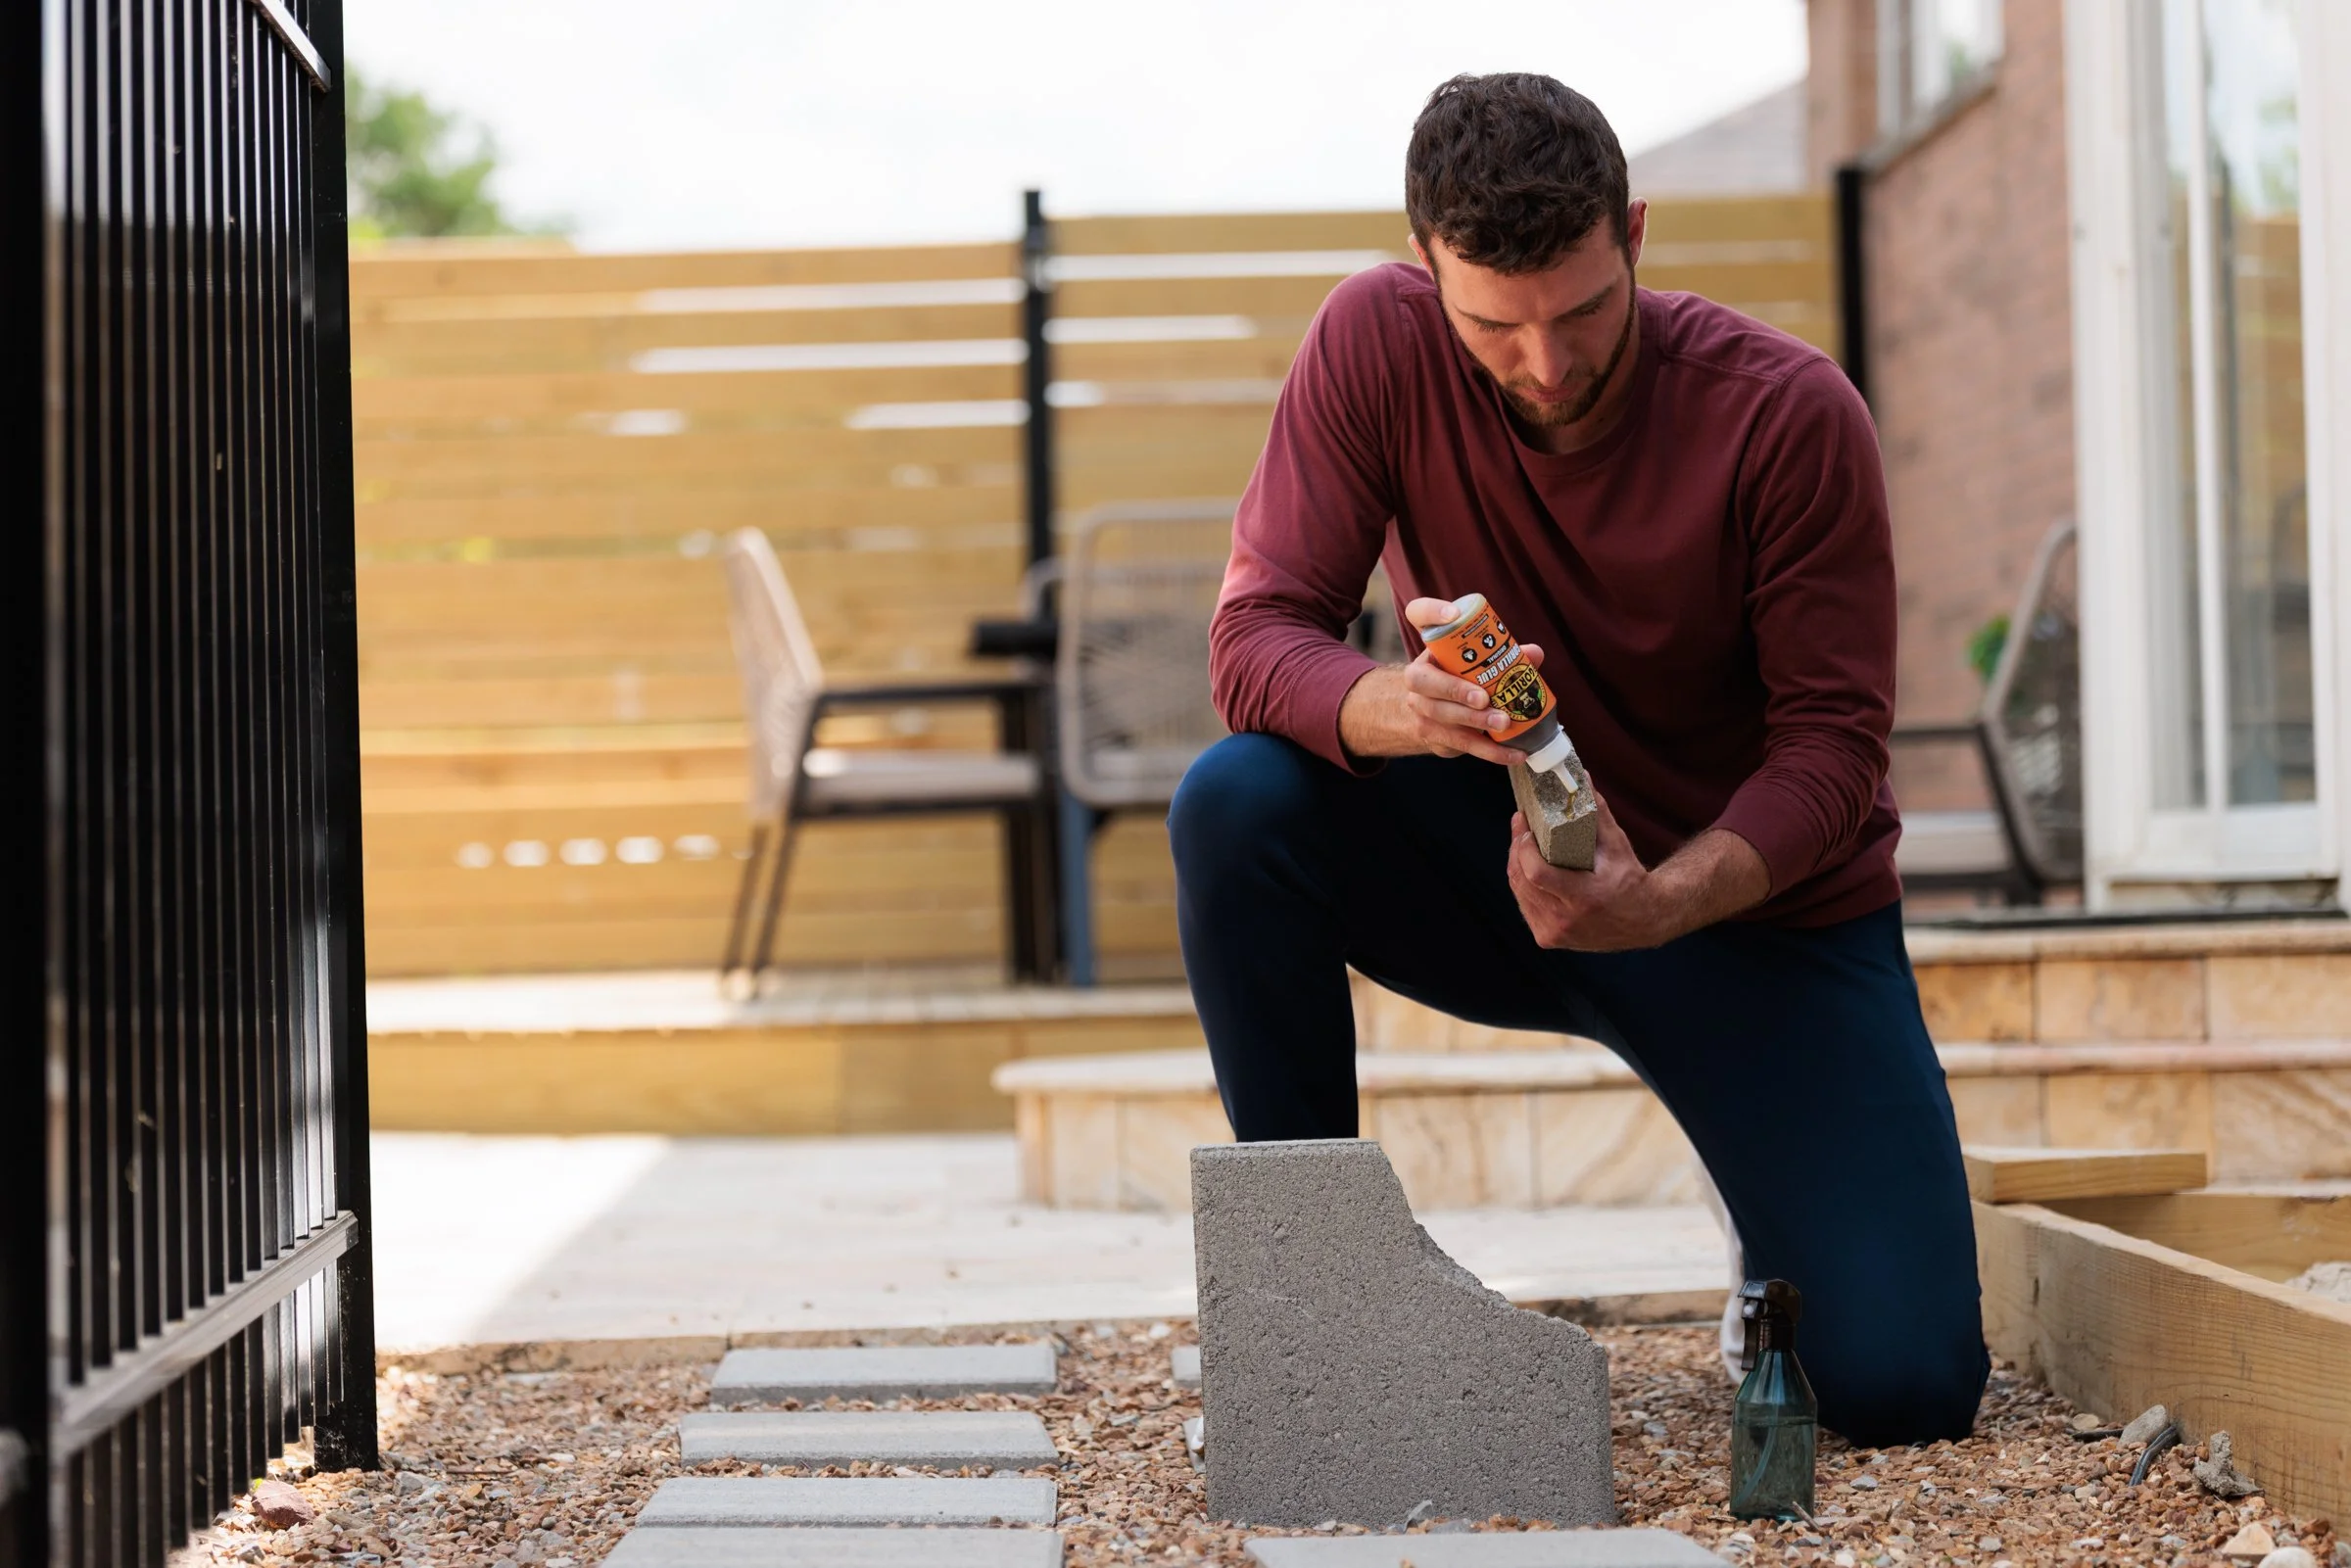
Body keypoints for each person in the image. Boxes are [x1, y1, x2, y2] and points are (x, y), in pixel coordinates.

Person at [1168, 71, 1987, 1447]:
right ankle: (1312, 1308)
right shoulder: (1375, 340)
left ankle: (1776, 1263)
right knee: (1238, 803)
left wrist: (1662, 906)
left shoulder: (1787, 413)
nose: (1547, 368)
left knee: (1904, 1388)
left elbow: (1834, 752)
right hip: (1517, 878)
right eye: (1497, 326)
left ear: (1636, 236)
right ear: (1428, 268)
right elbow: (1256, 640)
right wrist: (1400, 709)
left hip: (1759, 923)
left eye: (1585, 313)